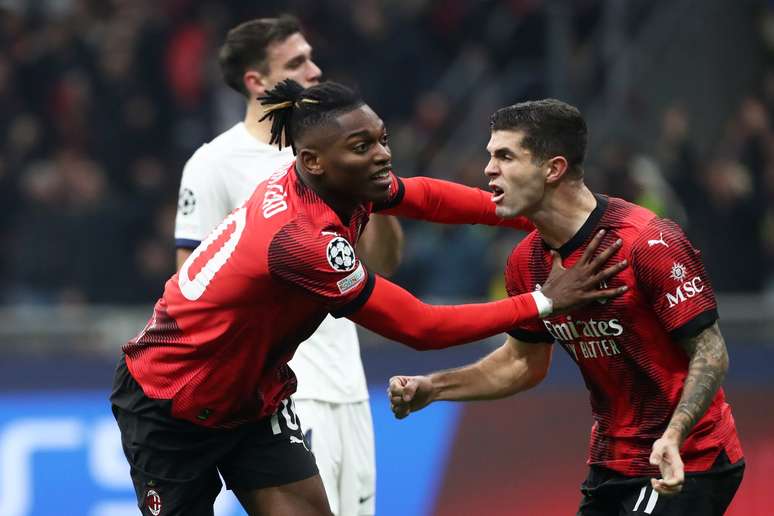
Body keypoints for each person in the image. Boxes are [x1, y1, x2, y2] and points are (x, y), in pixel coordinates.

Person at [112, 81, 627, 516]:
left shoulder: (334, 181)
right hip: (171, 403)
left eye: (381, 139)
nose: (382, 155)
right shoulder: (304, 241)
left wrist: (526, 214)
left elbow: (425, 196)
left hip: (249, 402)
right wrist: (544, 301)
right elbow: (419, 328)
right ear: (312, 160)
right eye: (363, 147)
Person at [388, 99, 745, 516]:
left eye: (505, 156)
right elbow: (523, 363)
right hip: (611, 463)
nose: (488, 170)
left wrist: (673, 434)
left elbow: (711, 350)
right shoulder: (526, 263)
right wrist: (434, 388)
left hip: (688, 457)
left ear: (553, 169)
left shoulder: (646, 243)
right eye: (490, 156)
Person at [173, 15, 405, 515]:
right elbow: (189, 290)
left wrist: (374, 190)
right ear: (257, 82)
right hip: (284, 395)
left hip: (349, 383)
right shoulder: (215, 164)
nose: (315, 70)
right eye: (297, 62)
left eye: (311, 56)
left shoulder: (337, 155)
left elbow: (382, 265)